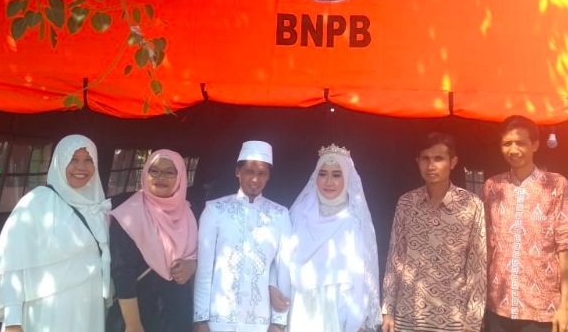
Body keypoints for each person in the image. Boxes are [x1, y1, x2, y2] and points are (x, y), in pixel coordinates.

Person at [0, 134, 111, 332]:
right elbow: (12, 264)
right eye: (72, 159)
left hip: (87, 313)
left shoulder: (98, 207)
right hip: (45, 314)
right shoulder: (36, 203)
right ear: (59, 162)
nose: (81, 167)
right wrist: (13, 320)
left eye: (88, 160)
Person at [483, 115, 568, 332]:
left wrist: (565, 307)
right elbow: (487, 248)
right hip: (497, 305)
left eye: (520, 143)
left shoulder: (556, 185)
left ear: (535, 144)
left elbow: (567, 248)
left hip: (541, 308)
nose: (513, 149)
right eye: (507, 143)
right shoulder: (493, 187)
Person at [381, 132, 487, 332]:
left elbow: (477, 267)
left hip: (453, 319)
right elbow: (394, 257)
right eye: (425, 159)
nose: (431, 166)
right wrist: (388, 310)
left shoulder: (471, 205)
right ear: (417, 161)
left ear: (453, 162)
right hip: (408, 316)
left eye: (438, 158)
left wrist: (473, 321)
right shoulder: (406, 203)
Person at [193, 140, 291, 332]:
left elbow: (283, 269)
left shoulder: (280, 214)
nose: (255, 179)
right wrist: (200, 320)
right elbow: (204, 269)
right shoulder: (215, 210)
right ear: (237, 172)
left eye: (262, 173)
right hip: (218, 320)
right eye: (249, 172)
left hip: (261, 322)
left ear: (269, 176)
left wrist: (278, 322)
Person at [285, 144, 381, 332]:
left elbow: (365, 270)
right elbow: (283, 260)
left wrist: (360, 318)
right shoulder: (299, 214)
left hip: (341, 307)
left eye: (337, 175)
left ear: (347, 178)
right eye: (323, 174)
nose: (328, 181)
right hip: (301, 306)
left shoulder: (354, 219)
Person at [109, 149, 199, 332]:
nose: (161, 177)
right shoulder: (128, 214)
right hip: (137, 314)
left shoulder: (189, 213)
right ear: (145, 173)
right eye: (154, 171)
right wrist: (133, 324)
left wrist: (192, 265)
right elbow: (122, 272)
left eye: (169, 172)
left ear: (180, 176)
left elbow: (201, 255)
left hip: (177, 313)